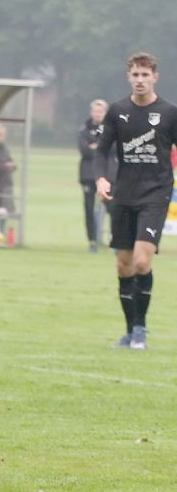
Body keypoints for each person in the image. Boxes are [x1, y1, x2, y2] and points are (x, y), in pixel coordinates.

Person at [95, 52, 176, 350]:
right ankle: (129, 332)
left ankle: (141, 329)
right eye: (135, 75)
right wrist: (102, 178)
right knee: (123, 265)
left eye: (145, 75)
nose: (140, 80)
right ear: (129, 77)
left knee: (143, 260)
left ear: (156, 76)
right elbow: (102, 151)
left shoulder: (169, 112)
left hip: (156, 194)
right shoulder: (117, 111)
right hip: (124, 194)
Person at [78, 99, 116, 253]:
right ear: (91, 112)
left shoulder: (111, 128)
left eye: (101, 111)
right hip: (88, 174)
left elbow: (113, 148)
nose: (98, 114)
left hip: (107, 174)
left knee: (112, 207)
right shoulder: (84, 129)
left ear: (105, 113)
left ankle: (115, 239)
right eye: (95, 111)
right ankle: (93, 240)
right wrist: (99, 147)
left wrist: (96, 147)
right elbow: (84, 150)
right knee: (88, 207)